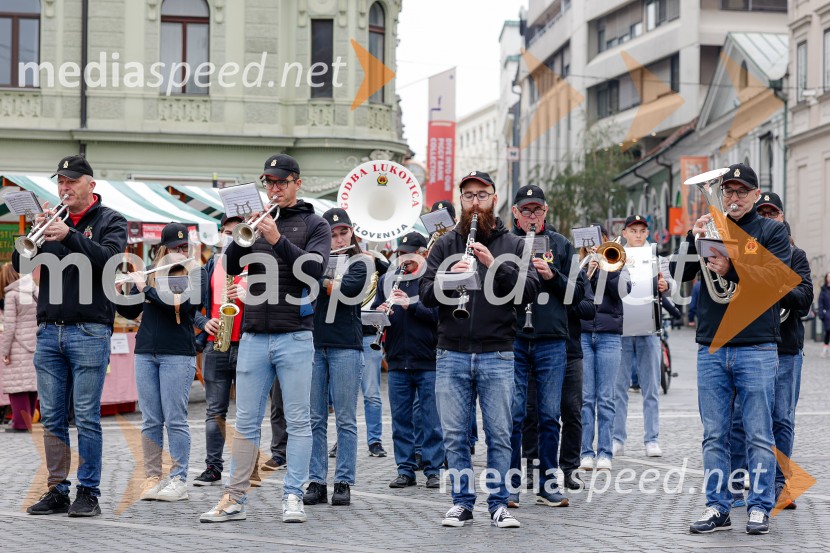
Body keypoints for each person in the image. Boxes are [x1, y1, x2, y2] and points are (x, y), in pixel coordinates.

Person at [200, 154, 330, 524]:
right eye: (269, 183)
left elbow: (314, 270)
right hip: (254, 335)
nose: (274, 189)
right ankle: (234, 498)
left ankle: (293, 495)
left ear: (296, 183)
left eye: (280, 182)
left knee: (298, 421)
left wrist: (277, 240)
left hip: (295, 336)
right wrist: (247, 233)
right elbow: (230, 263)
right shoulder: (257, 223)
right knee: (246, 422)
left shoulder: (315, 224)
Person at [673, 164, 791, 535]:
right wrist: (690, 240)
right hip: (712, 345)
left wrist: (732, 269)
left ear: (756, 194)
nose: (734, 198)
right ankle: (717, 507)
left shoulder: (772, 231)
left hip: (756, 344)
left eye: (742, 191)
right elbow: (679, 276)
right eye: (728, 191)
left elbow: (777, 281)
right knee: (714, 435)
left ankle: (759, 507)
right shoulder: (710, 227)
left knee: (758, 434)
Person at [420, 170, 539, 528]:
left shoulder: (514, 245)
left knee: (500, 433)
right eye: (468, 195)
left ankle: (499, 503)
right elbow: (425, 294)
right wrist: (448, 278)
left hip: (497, 351)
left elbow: (528, 291)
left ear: (494, 199)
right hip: (451, 351)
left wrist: (492, 265)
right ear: (461, 200)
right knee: (455, 435)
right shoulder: (444, 244)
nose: (475, 202)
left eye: (481, 195)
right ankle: (462, 502)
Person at [14, 155, 127, 517]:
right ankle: (57, 489)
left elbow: (111, 260)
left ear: (90, 185)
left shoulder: (111, 220)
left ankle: (89, 491)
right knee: (51, 417)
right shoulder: (52, 222)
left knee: (87, 417)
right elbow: (20, 266)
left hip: (90, 329)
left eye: (72, 181)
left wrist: (71, 236)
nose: (64, 187)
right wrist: (33, 236)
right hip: (49, 329)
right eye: (61, 181)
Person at [729, 193, 813, 511]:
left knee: (781, 419)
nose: (766, 217)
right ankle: (736, 485)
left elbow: (804, 298)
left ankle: (779, 485)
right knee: (740, 419)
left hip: (785, 347)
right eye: (761, 212)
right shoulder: (743, 251)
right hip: (750, 344)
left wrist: (773, 287)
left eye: (772, 212)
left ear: (781, 217)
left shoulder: (795, 254)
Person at [116, 224, 206, 501]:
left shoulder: (195, 274)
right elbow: (131, 310)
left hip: (177, 353)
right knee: (150, 420)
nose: (181, 253)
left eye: (185, 247)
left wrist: (146, 288)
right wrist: (122, 291)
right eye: (176, 248)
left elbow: (180, 306)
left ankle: (178, 480)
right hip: (146, 351)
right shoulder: (151, 273)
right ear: (164, 249)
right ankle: (153, 477)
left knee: (175, 419)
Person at [508, 185, 582, 508]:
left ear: (545, 211)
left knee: (550, 416)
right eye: (526, 210)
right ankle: (510, 485)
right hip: (513, 338)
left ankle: (547, 484)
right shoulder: (505, 244)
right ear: (515, 213)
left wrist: (553, 277)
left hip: (551, 340)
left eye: (537, 210)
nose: (532, 216)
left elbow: (579, 293)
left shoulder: (561, 244)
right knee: (514, 415)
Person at [303, 208, 368, 507]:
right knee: (315, 418)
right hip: (314, 344)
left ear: (351, 233)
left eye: (343, 232)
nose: (339, 238)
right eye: (333, 234)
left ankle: (343, 481)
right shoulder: (314, 260)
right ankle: (316, 481)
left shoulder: (360, 262)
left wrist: (318, 279)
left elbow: (349, 289)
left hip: (346, 345)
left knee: (345, 419)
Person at [372, 231, 443, 489]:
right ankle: (405, 469)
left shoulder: (432, 280)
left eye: (409, 254)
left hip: (427, 359)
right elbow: (377, 308)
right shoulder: (389, 280)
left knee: (431, 420)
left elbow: (439, 316)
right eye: (401, 254)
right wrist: (380, 313)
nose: (404, 259)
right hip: (397, 359)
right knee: (400, 420)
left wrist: (410, 306)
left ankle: (433, 469)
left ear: (423, 254)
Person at [192, 215, 256, 486]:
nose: (232, 237)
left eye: (237, 232)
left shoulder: (258, 265)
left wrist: (249, 298)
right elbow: (192, 307)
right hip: (216, 342)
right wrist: (203, 322)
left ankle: (248, 467)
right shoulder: (209, 265)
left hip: (248, 343)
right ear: (220, 235)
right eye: (228, 232)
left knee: (248, 413)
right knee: (214, 411)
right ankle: (213, 467)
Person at [613, 215, 674, 459]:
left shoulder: (657, 257)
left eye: (642, 231)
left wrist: (665, 287)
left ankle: (652, 438)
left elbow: (672, 286)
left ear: (647, 233)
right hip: (622, 328)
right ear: (625, 233)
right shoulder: (616, 255)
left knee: (651, 388)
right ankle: (617, 438)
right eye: (633, 230)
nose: (638, 235)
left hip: (650, 327)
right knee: (619, 388)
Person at [579, 225, 630, 472]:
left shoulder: (619, 263)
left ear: (607, 241)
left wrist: (606, 268)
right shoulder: (579, 265)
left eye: (599, 241)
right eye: (590, 242)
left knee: (606, 397)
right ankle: (586, 452)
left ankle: (605, 452)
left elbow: (623, 291)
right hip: (583, 334)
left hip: (609, 336)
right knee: (586, 397)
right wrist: (587, 272)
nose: (595, 246)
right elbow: (572, 295)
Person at [0, 263, 39, 433]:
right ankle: (27, 420)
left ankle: (21, 423)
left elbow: (9, 326)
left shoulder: (12, 295)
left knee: (17, 385)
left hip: (18, 344)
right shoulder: (35, 290)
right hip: (36, 341)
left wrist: (5, 351)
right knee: (31, 384)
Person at [819, 273, 830, 358]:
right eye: (829, 276)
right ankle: (825, 350)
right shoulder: (823, 290)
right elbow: (820, 303)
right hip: (827, 315)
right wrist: (822, 314)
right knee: (828, 332)